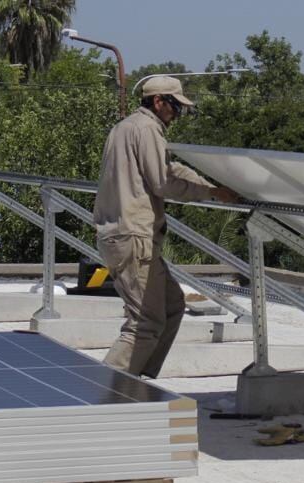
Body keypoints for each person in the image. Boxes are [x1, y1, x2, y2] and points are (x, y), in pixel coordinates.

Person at [93, 75, 240, 377]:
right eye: (175, 106)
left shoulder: (124, 128)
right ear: (158, 101)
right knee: (144, 323)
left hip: (124, 236)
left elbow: (168, 168)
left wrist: (211, 185)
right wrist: (210, 192)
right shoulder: (148, 129)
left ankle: (139, 381)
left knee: (172, 306)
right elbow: (163, 182)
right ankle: (106, 393)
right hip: (134, 238)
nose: (177, 114)